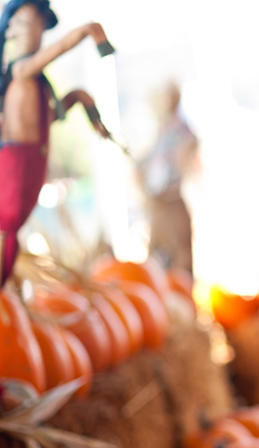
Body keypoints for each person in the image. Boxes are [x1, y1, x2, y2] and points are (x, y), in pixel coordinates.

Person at [0, 0, 113, 285]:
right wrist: (88, 31)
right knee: (6, 232)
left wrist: (83, 101)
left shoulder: (35, 84)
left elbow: (45, 121)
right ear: (11, 33)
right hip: (16, 173)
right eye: (27, 25)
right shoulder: (22, 71)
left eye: (39, 26)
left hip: (28, 171)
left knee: (10, 238)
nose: (35, 33)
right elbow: (59, 49)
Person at [138, 80, 198, 273]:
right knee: (158, 261)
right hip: (158, 204)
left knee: (180, 260)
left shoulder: (181, 129)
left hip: (172, 200)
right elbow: (145, 165)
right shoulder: (161, 131)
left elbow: (189, 151)